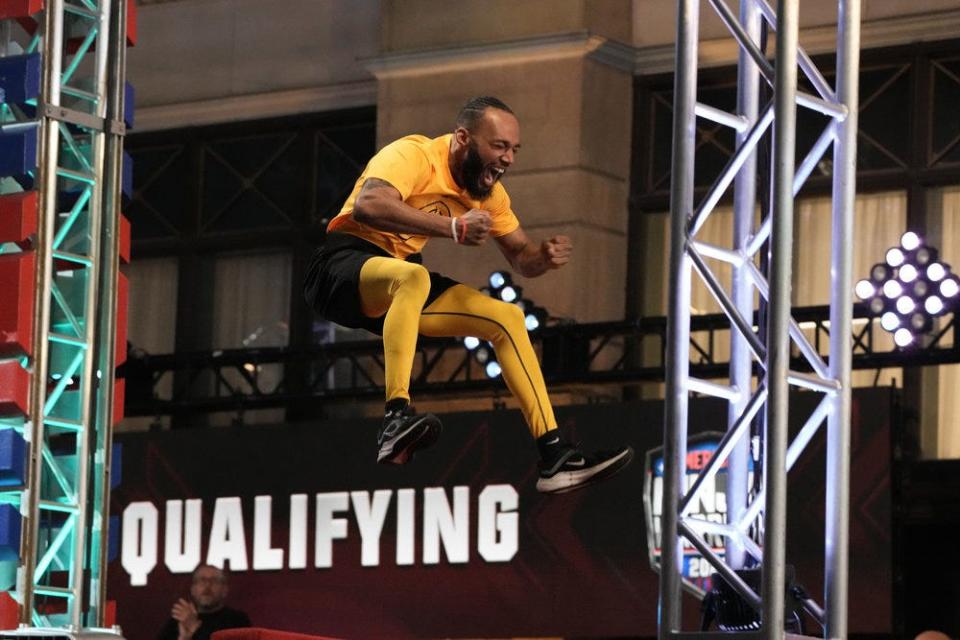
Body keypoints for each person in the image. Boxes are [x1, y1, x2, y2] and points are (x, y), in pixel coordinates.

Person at [303, 96, 633, 493]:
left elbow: (521, 258)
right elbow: (369, 205)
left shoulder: (491, 197)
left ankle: (555, 456)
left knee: (507, 319)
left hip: (397, 292)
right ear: (463, 138)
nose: (508, 158)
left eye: (514, 149)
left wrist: (542, 257)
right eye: (498, 146)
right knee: (413, 278)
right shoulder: (415, 155)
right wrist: (452, 228)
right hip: (341, 265)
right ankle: (395, 417)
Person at [157, 564, 251, 640]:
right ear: (193, 590)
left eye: (214, 581)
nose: (207, 586)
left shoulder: (237, 621)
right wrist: (185, 638)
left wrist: (197, 632)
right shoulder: (180, 621)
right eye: (202, 580)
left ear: (224, 590)